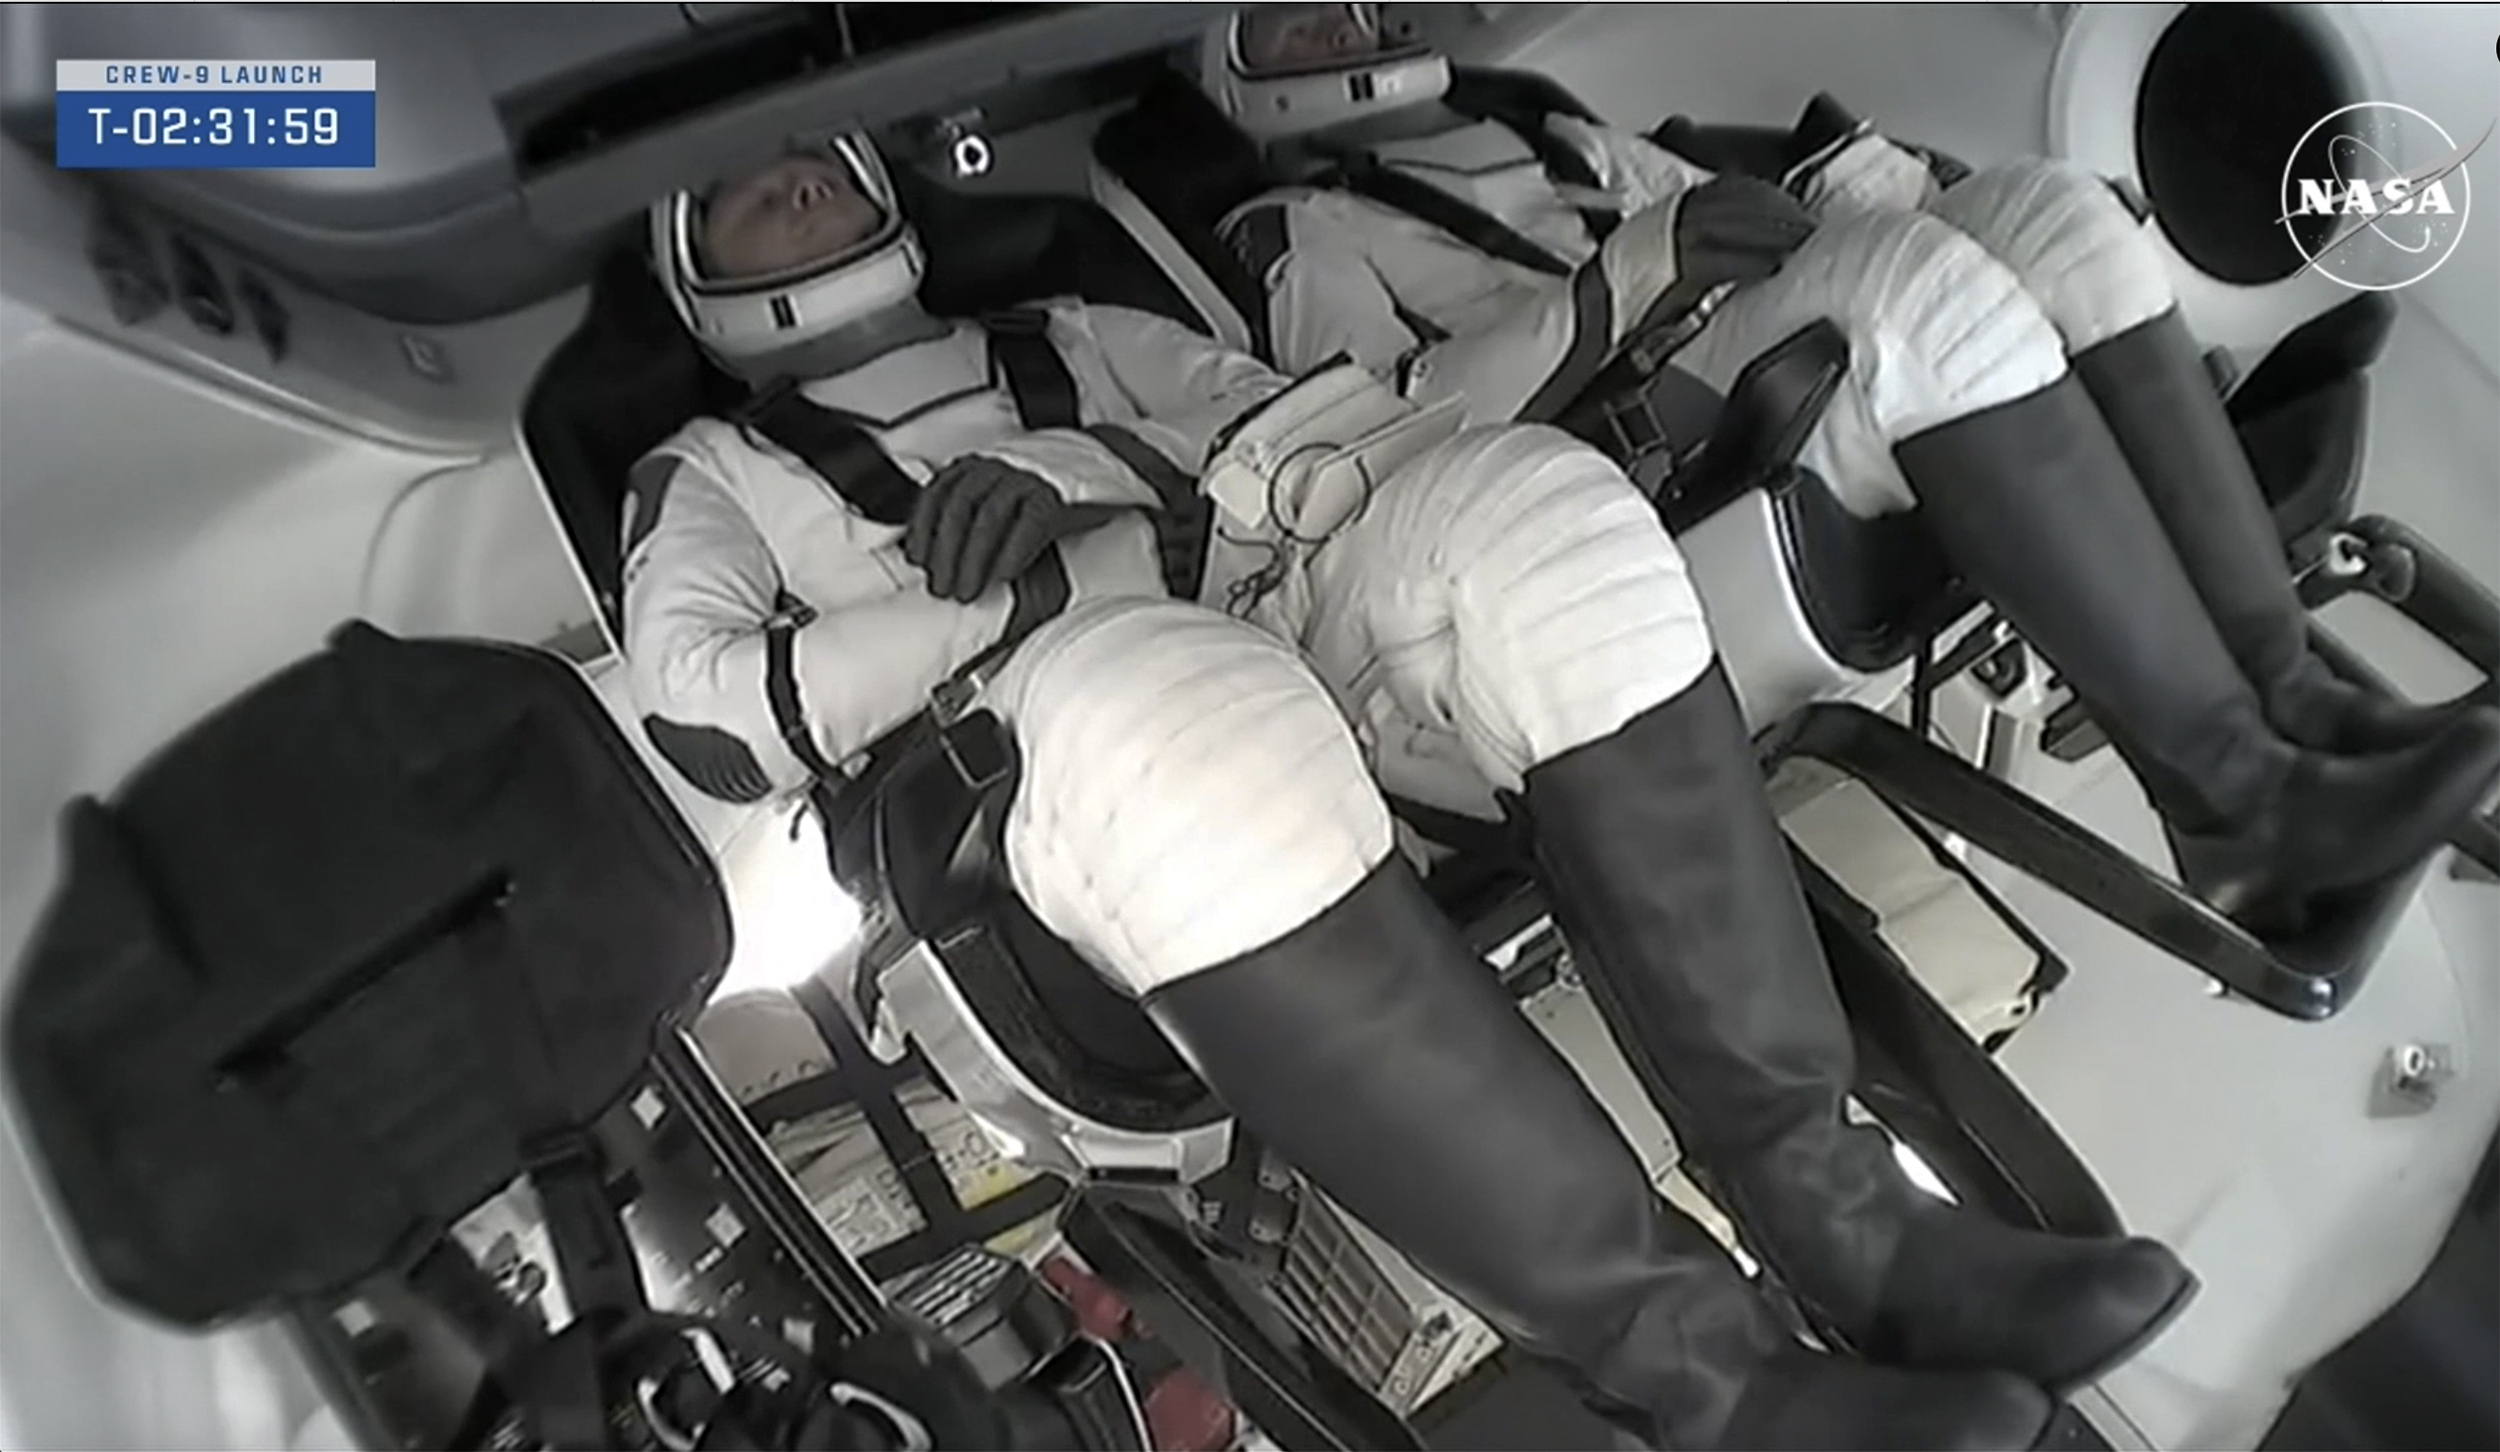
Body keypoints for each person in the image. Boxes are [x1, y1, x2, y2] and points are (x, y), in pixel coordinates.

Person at [620, 133, 2199, 1449]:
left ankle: (1855, 1224)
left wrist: (1117, 478)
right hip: (1036, 780)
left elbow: (1296, 430)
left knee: (1542, 512)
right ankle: (1728, 1390)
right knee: (1172, 704)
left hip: (1266, 607)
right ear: (692, 280)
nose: (795, 180)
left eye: (812, 158)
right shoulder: (713, 475)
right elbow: (705, 723)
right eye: (745, 189)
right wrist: (1003, 603)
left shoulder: (1077, 334)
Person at [1199, 2, 2500, 939]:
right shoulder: (1299, 232)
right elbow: (1392, 450)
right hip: (1608, 475)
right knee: (1910, 297)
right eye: (1297, 28)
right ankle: (2241, 795)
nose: (1345, 31)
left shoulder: (1540, 129)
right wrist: (1632, 273)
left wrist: (1866, 194)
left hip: (1723, 359)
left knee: (2055, 207)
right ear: (1239, 76)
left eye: (1346, 9)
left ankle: (2291, 705)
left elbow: (1736, 217)